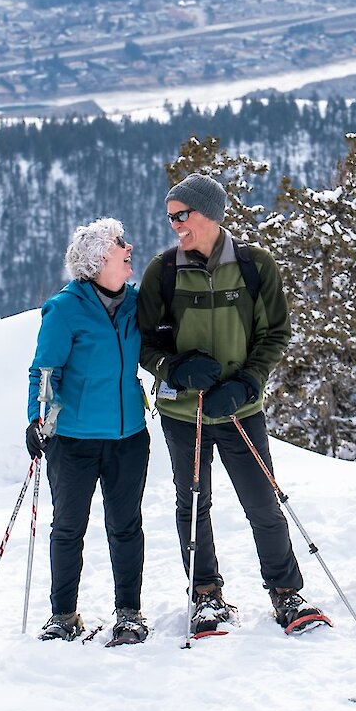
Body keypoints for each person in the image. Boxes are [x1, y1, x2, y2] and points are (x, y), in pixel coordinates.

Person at [137, 174, 330, 635]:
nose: (176, 225)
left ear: (211, 213)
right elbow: (142, 343)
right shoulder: (162, 271)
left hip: (239, 408)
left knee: (263, 501)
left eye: (183, 215)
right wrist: (175, 369)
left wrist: (247, 384)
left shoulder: (252, 266)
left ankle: (286, 594)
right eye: (170, 217)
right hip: (185, 413)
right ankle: (205, 596)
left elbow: (275, 334)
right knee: (192, 504)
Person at [26, 217, 151, 646]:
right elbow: (44, 371)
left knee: (125, 526)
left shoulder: (137, 303)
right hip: (74, 441)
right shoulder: (65, 308)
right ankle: (62, 615)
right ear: (99, 259)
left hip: (129, 437)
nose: (130, 246)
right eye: (121, 243)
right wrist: (36, 419)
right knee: (68, 528)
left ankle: (129, 614)